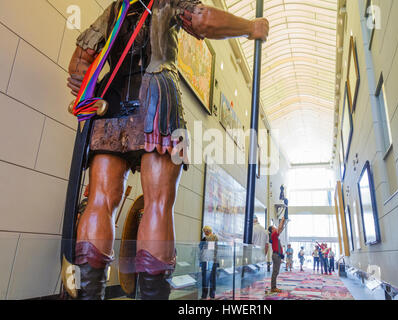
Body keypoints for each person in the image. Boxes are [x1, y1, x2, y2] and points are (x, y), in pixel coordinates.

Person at [67, 0, 269, 300]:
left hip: (110, 102)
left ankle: (88, 295)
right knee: (159, 203)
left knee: (99, 200)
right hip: (158, 96)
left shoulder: (116, 8)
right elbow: (202, 19)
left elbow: (78, 66)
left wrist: (95, 91)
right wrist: (250, 27)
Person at [199, 226, 219, 300]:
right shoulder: (215, 238)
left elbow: (200, 247)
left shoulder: (206, 239)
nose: (204, 233)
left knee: (205, 278)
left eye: (205, 231)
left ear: (207, 231)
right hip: (213, 260)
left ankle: (204, 296)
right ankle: (212, 295)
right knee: (212, 279)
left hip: (207, 260)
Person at [268, 215, 286, 293]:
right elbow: (279, 229)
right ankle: (273, 287)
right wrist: (282, 220)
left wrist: (283, 222)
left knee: (276, 271)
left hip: (277, 255)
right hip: (276, 255)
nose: (275, 228)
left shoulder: (275, 235)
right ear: (272, 230)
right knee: (275, 272)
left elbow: (280, 229)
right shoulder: (273, 235)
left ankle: (274, 287)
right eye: (274, 227)